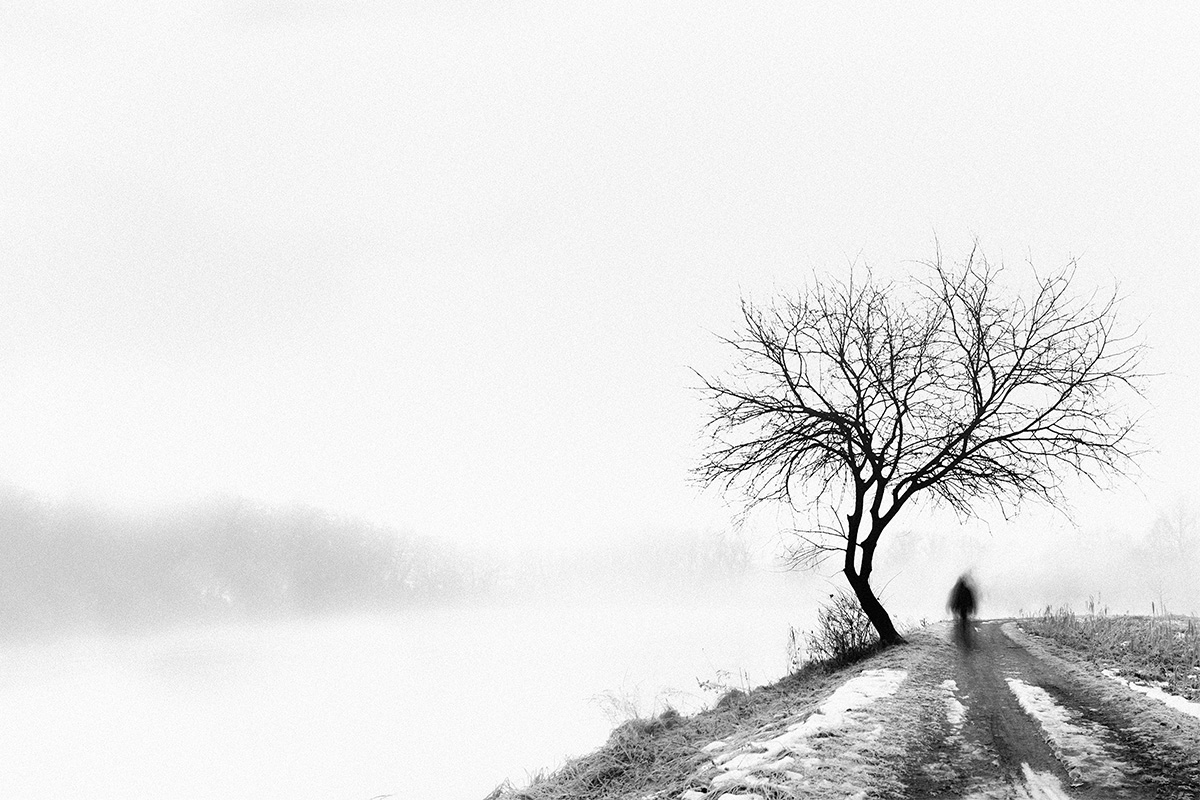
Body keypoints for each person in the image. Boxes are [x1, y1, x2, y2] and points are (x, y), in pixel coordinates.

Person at [948, 573, 977, 648]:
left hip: (960, 608)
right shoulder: (967, 589)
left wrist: (953, 608)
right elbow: (971, 599)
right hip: (965, 608)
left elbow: (954, 599)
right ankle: (966, 638)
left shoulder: (957, 590)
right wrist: (973, 608)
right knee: (965, 622)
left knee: (961, 623)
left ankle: (961, 638)